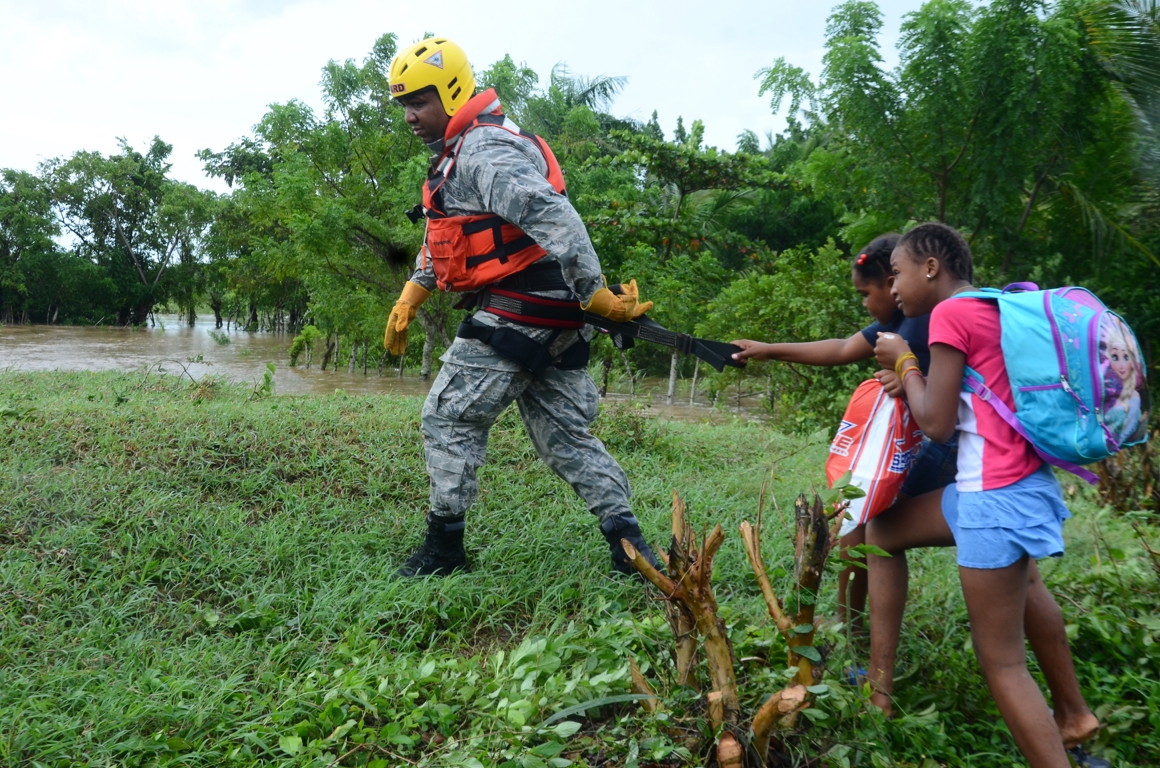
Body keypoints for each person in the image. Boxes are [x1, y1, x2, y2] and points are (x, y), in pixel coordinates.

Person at [381, 37, 660, 578]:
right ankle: (631, 549)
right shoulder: (466, 150)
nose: (411, 116)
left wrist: (594, 292)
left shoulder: (483, 151)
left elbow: (558, 219)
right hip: (549, 312)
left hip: (523, 309)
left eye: (419, 101)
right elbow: (454, 234)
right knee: (564, 436)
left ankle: (444, 552)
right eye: (404, 105)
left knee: (448, 417)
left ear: (452, 90)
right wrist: (414, 290)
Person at [871, 223, 1103, 767]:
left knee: (1001, 663)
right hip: (1025, 487)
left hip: (991, 497)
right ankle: (1074, 714)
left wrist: (904, 362)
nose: (894, 286)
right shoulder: (996, 306)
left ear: (931, 267)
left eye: (899, 272)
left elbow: (937, 423)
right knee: (883, 531)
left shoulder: (950, 314)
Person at [730, 234, 958, 633]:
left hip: (944, 444)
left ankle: (850, 626)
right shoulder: (901, 321)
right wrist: (768, 349)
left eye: (866, 293)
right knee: (859, 522)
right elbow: (840, 349)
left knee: (867, 524)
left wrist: (908, 374)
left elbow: (943, 391)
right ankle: (848, 620)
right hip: (926, 440)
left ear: (893, 282)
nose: (866, 303)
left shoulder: (924, 321)